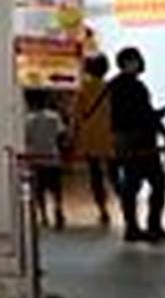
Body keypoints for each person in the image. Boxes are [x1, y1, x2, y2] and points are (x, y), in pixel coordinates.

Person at [107, 46, 165, 243]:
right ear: (127, 62)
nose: (139, 63)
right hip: (141, 142)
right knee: (157, 183)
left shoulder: (112, 85)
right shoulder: (135, 86)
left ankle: (133, 227)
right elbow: (146, 114)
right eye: (135, 60)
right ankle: (152, 226)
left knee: (131, 186)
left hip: (123, 141)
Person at [72, 52, 116, 229]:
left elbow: (76, 114)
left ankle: (103, 209)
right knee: (114, 173)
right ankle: (124, 204)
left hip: (89, 136)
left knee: (95, 175)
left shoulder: (83, 87)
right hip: (109, 135)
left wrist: (72, 136)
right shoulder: (110, 87)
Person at [21, 92, 67, 230]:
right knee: (56, 188)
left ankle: (43, 215)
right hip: (52, 156)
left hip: (35, 158)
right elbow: (61, 135)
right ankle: (58, 209)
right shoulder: (54, 117)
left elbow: (26, 138)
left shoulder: (28, 120)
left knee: (39, 189)